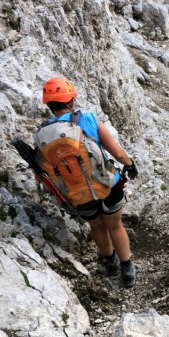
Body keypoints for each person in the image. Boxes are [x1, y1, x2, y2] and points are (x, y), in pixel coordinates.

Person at [37, 77, 139, 288]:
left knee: (97, 225)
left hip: (77, 192)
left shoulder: (42, 135)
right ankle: (127, 270)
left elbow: (42, 174)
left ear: (48, 105)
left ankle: (110, 262)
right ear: (71, 101)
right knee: (115, 225)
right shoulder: (89, 119)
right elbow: (117, 152)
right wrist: (129, 164)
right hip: (108, 185)